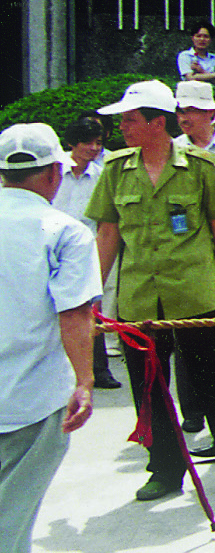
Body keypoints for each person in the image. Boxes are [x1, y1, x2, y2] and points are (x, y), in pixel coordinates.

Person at [85, 80, 215, 502]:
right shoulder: (116, 169)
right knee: (148, 389)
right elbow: (107, 233)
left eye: (130, 119)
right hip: (139, 299)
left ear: (158, 123)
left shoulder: (202, 165)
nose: (122, 126)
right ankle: (164, 469)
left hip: (195, 293)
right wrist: (92, 294)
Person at [0, 123, 98, 553]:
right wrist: (83, 381)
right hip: (32, 397)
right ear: (55, 173)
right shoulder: (62, 230)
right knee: (10, 518)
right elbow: (75, 313)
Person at [52, 117, 120, 389]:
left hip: (89, 248)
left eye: (98, 143)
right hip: (54, 248)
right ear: (72, 143)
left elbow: (106, 220)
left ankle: (99, 370)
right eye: (87, 142)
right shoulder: (55, 172)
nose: (93, 148)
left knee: (93, 306)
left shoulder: (102, 175)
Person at [173, 80, 215, 173]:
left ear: (210, 112)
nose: (182, 119)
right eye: (179, 111)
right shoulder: (173, 149)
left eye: (190, 110)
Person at [176, 23, 215, 87]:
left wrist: (202, 71)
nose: (202, 39)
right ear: (192, 38)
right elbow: (190, 78)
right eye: (198, 36)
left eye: (206, 36)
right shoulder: (185, 55)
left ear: (211, 39)